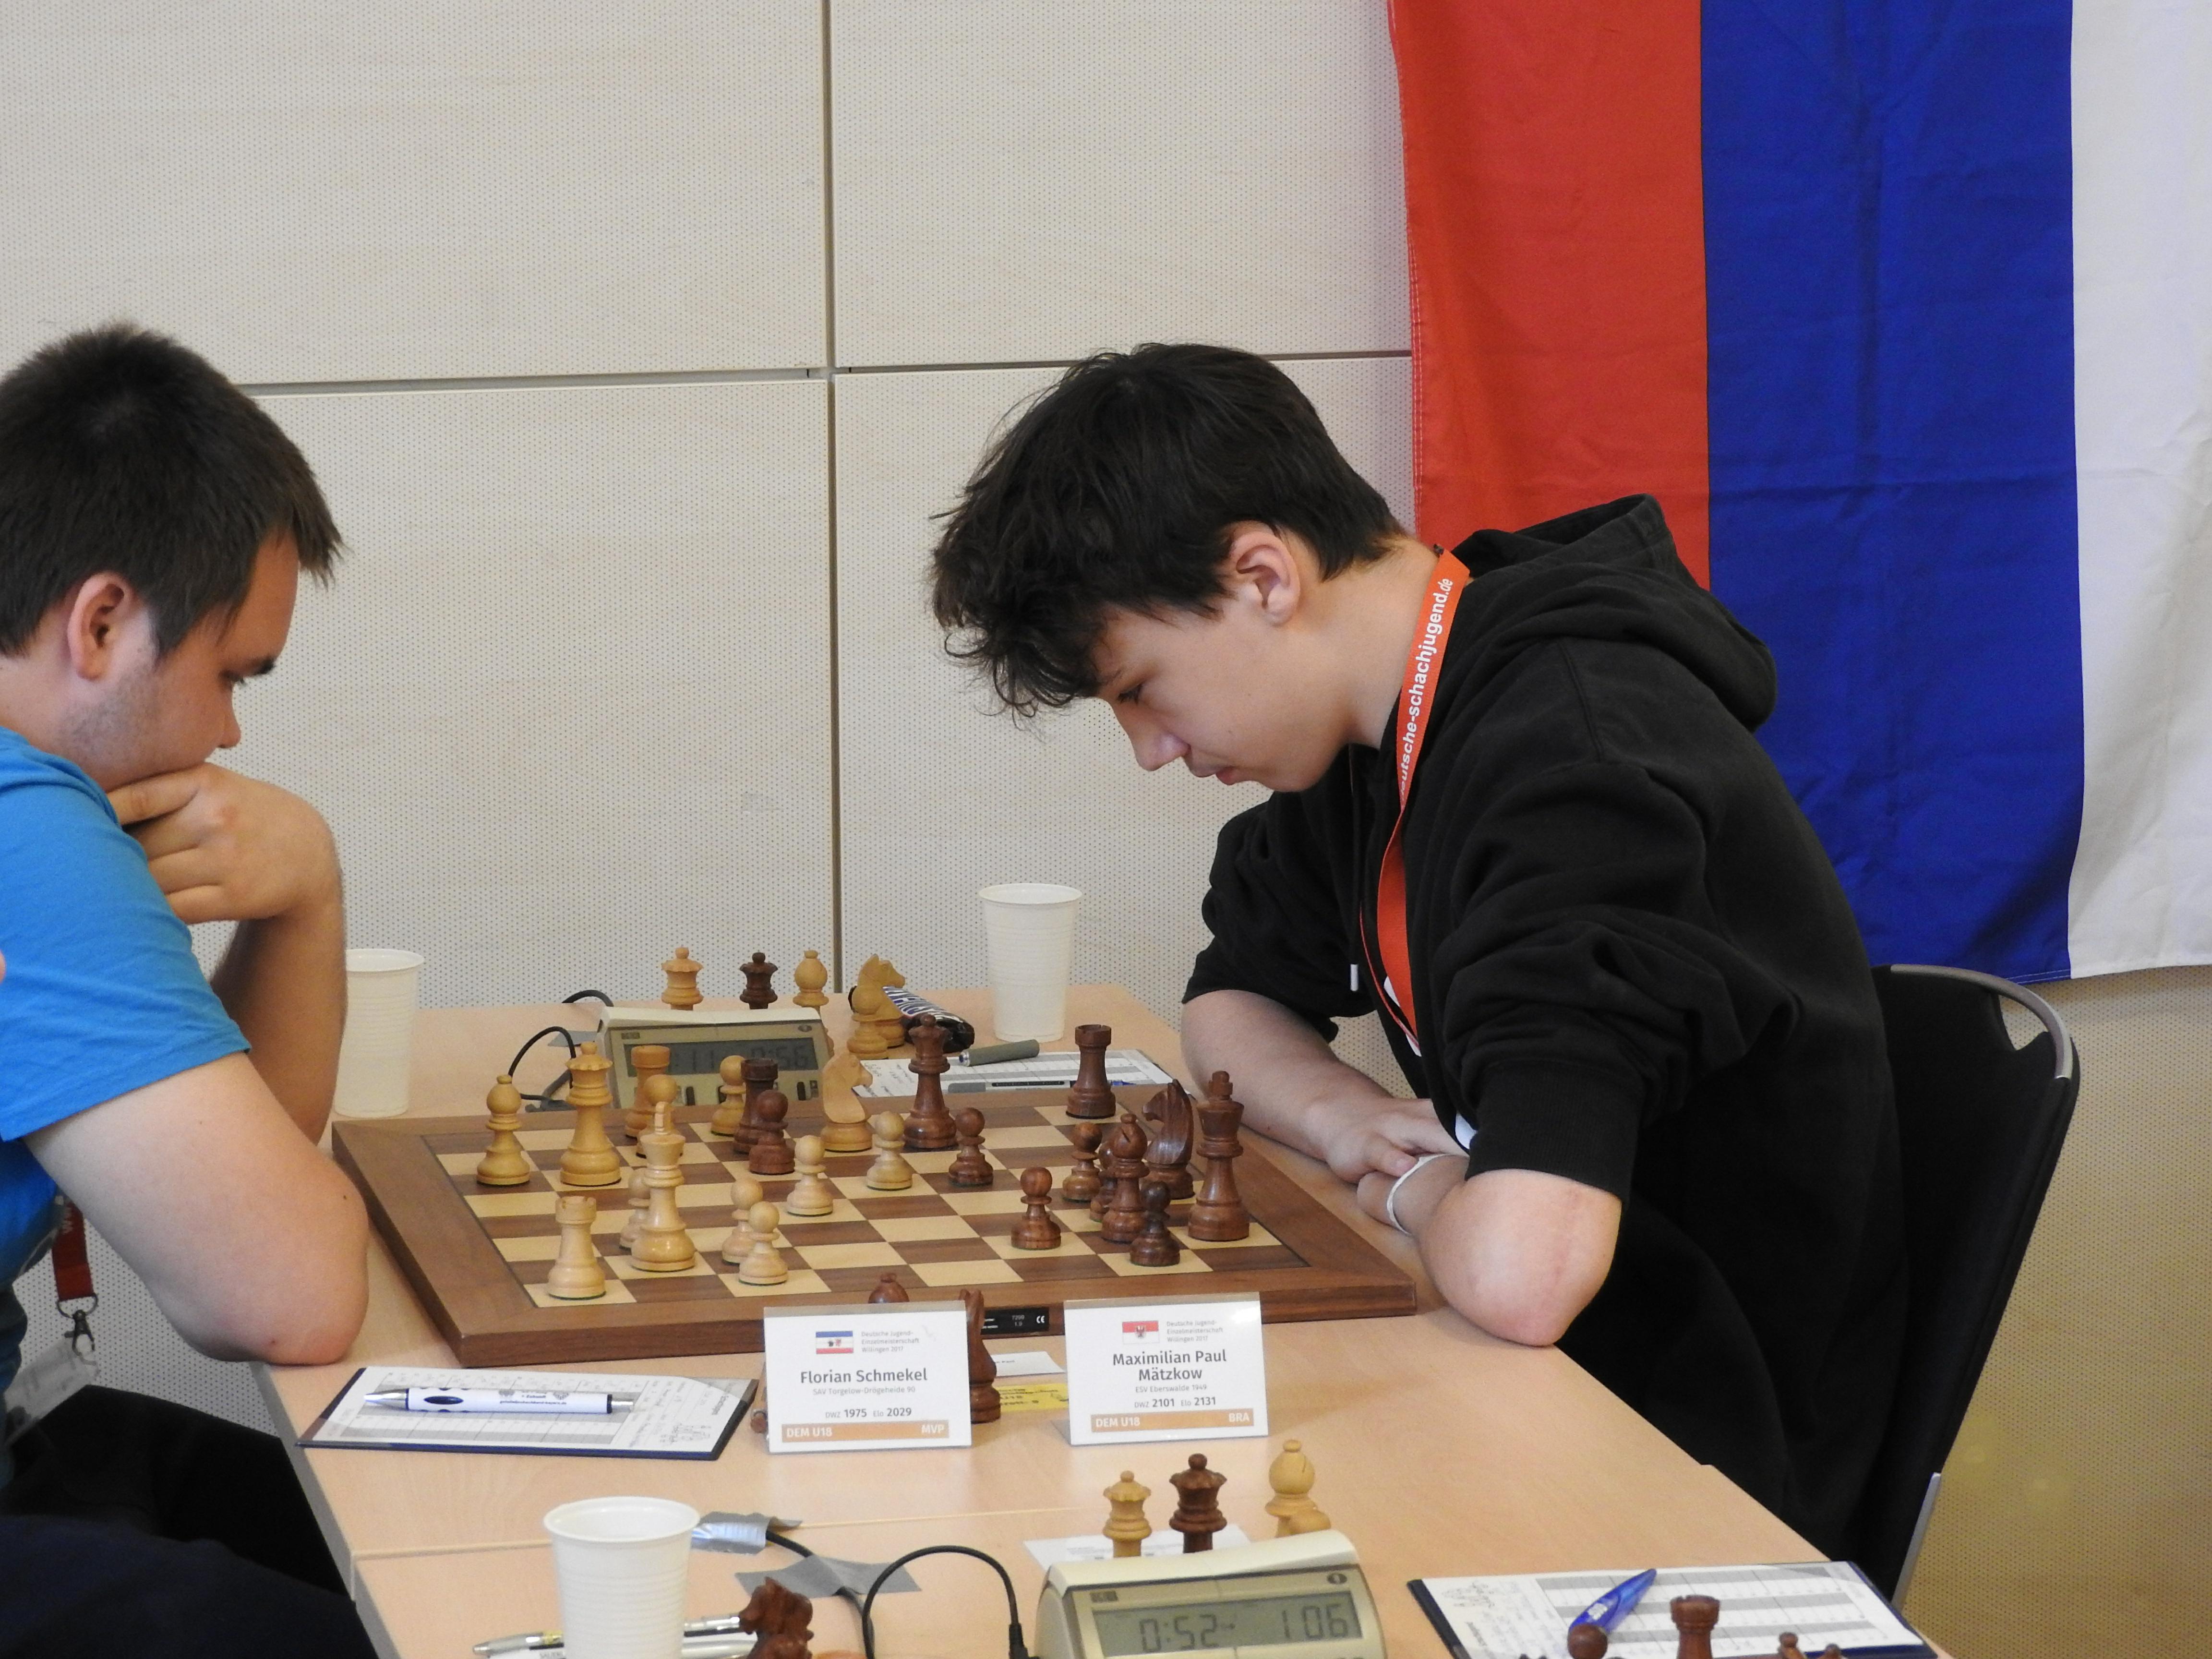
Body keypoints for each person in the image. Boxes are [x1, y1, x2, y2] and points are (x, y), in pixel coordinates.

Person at [929, 343, 1907, 1551]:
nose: (1150, 750)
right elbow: (1229, 1007)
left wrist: (1415, 1184)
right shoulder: (1378, 725)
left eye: (1141, 689)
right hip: (1530, 1363)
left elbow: (1525, 1277)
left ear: (1262, 576)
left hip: (1689, 1445)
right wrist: (1348, 1121)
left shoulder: (1576, 758)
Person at [0, 325, 373, 1654]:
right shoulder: (25, 824)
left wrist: (304, 890)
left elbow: (248, 1170)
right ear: (102, 622)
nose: (228, 731)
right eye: (229, 674)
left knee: (363, 1530)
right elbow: (282, 1296)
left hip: (23, 1431)